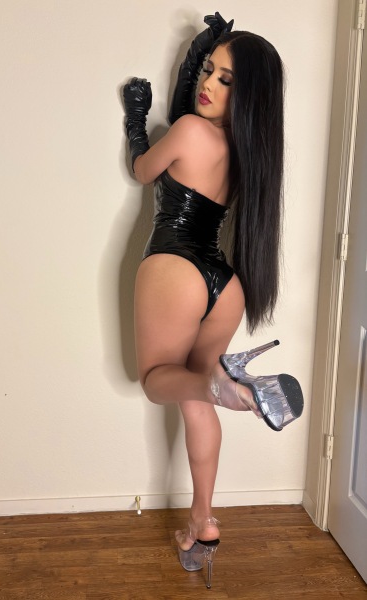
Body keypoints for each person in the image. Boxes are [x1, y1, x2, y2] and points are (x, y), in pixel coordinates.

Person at [122, 11, 304, 589]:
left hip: (175, 267)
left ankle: (224, 386)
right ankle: (203, 523)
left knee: (157, 381)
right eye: (208, 70)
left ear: (246, 94)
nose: (208, 84)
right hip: (225, 284)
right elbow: (192, 114)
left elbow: (142, 170)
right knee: (196, 400)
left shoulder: (188, 132)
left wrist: (135, 121)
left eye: (226, 79)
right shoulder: (249, 151)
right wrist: (196, 56)